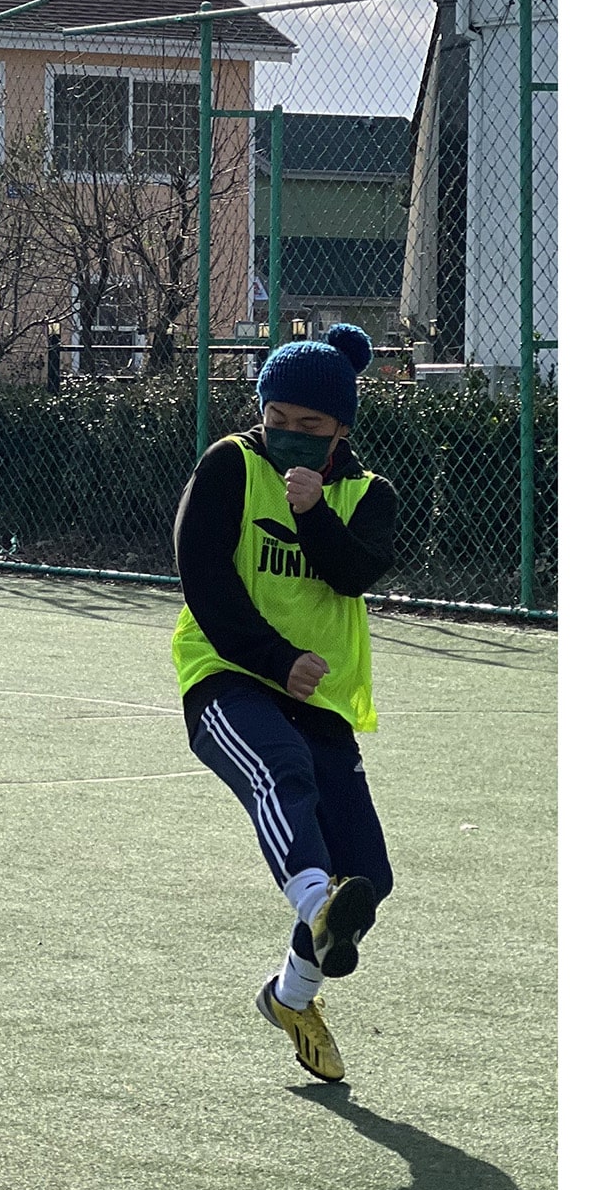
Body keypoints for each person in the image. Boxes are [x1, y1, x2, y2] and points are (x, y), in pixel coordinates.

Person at [169, 323, 398, 1084]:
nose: (290, 438)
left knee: (369, 874)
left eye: (311, 428)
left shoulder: (368, 496)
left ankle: (292, 997)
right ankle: (312, 899)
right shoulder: (230, 464)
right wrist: (272, 658)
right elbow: (201, 575)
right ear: (260, 411)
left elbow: (355, 574)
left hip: (320, 699)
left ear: (341, 430)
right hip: (227, 677)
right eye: (278, 420)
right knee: (282, 771)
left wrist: (312, 513)